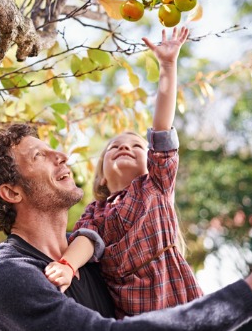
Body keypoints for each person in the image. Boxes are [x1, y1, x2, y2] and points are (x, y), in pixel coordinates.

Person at [0, 122, 252, 331]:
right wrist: (251, 293)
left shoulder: (99, 260)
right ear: (12, 192)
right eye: (39, 156)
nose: (63, 155)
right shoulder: (9, 276)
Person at [44, 27, 202, 317]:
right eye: (114, 146)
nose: (124, 147)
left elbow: (162, 130)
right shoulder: (96, 211)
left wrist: (167, 67)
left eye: (136, 146)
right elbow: (87, 240)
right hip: (132, 310)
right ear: (101, 176)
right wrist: (67, 265)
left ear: (151, 162)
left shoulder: (155, 185)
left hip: (175, 295)